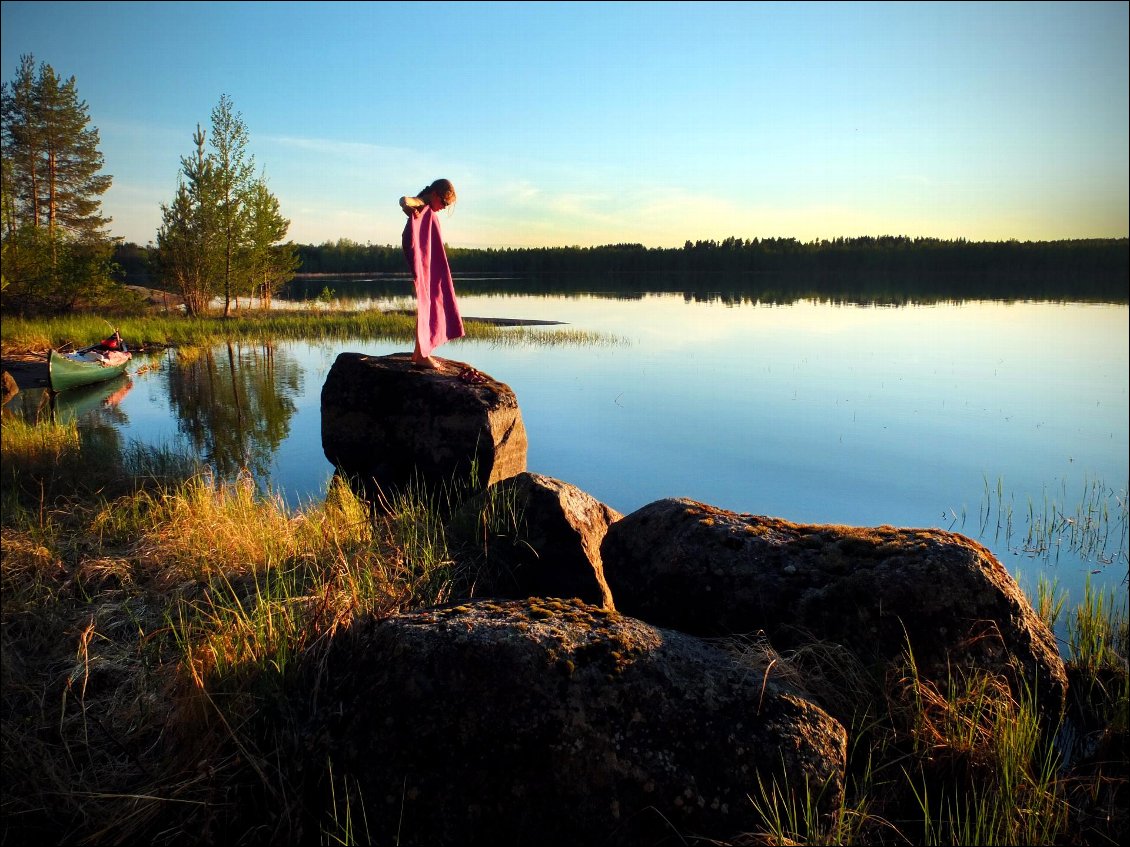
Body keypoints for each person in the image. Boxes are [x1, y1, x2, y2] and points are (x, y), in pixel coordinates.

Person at [400, 179, 465, 369]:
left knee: (433, 295)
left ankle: (420, 351)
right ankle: (421, 355)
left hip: (427, 250)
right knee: (426, 297)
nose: (444, 208)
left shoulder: (427, 210)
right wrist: (417, 204)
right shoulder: (422, 203)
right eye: (444, 203)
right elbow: (404, 201)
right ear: (435, 194)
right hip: (420, 249)